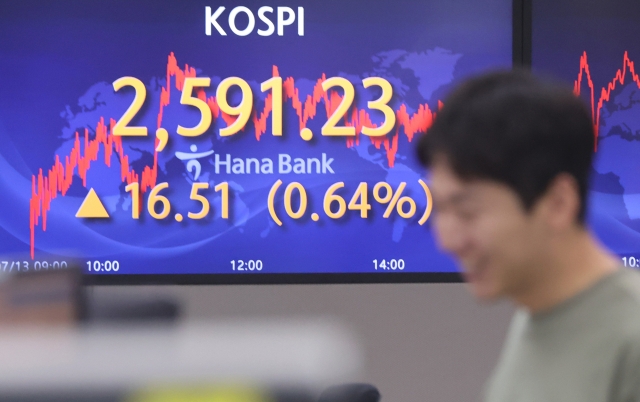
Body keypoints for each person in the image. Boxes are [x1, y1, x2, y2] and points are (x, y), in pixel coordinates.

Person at [417, 70, 640, 401]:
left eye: (468, 212)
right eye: (440, 209)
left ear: (558, 203)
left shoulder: (630, 342)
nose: (447, 241)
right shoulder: (533, 312)